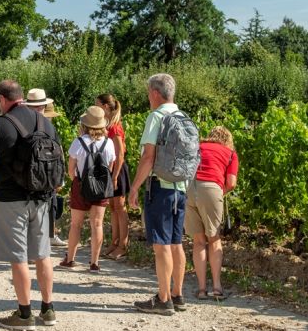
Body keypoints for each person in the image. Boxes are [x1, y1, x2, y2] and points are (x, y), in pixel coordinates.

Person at [0, 80, 60, 331]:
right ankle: (48, 310)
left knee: (19, 258)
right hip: (42, 198)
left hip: (11, 199)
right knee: (43, 255)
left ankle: (24, 315)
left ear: (2, 99)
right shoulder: (45, 123)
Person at [128, 73, 186, 315]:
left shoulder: (156, 117)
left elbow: (148, 157)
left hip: (160, 188)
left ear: (154, 93)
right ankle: (177, 294)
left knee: (161, 245)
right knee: (176, 243)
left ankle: (163, 299)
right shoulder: (184, 117)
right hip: (180, 188)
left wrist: (134, 187)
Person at [58, 106, 115, 272]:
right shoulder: (109, 143)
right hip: (101, 186)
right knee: (97, 224)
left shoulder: (79, 142)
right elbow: (110, 167)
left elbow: (71, 168)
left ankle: (70, 259)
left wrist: (76, 180)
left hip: (81, 184)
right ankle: (94, 262)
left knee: (76, 224)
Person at [186, 126, 239, 301]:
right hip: (211, 187)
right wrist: (218, 193)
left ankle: (201, 289)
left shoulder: (198, 146)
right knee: (214, 240)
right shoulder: (230, 153)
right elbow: (231, 183)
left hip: (188, 189)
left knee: (199, 241)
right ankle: (216, 288)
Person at [24, 89, 66, 248]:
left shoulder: (26, 126)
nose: (39, 111)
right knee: (38, 210)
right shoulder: (48, 127)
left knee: (42, 209)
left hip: (39, 175)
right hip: (39, 175)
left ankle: (37, 246)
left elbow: (58, 153)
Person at [97, 93, 129, 260]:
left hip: (118, 170)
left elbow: (120, 154)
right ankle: (114, 242)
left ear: (106, 107)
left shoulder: (115, 128)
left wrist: (115, 176)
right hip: (111, 170)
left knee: (120, 207)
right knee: (113, 207)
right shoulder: (108, 127)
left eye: (98, 104)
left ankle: (123, 245)